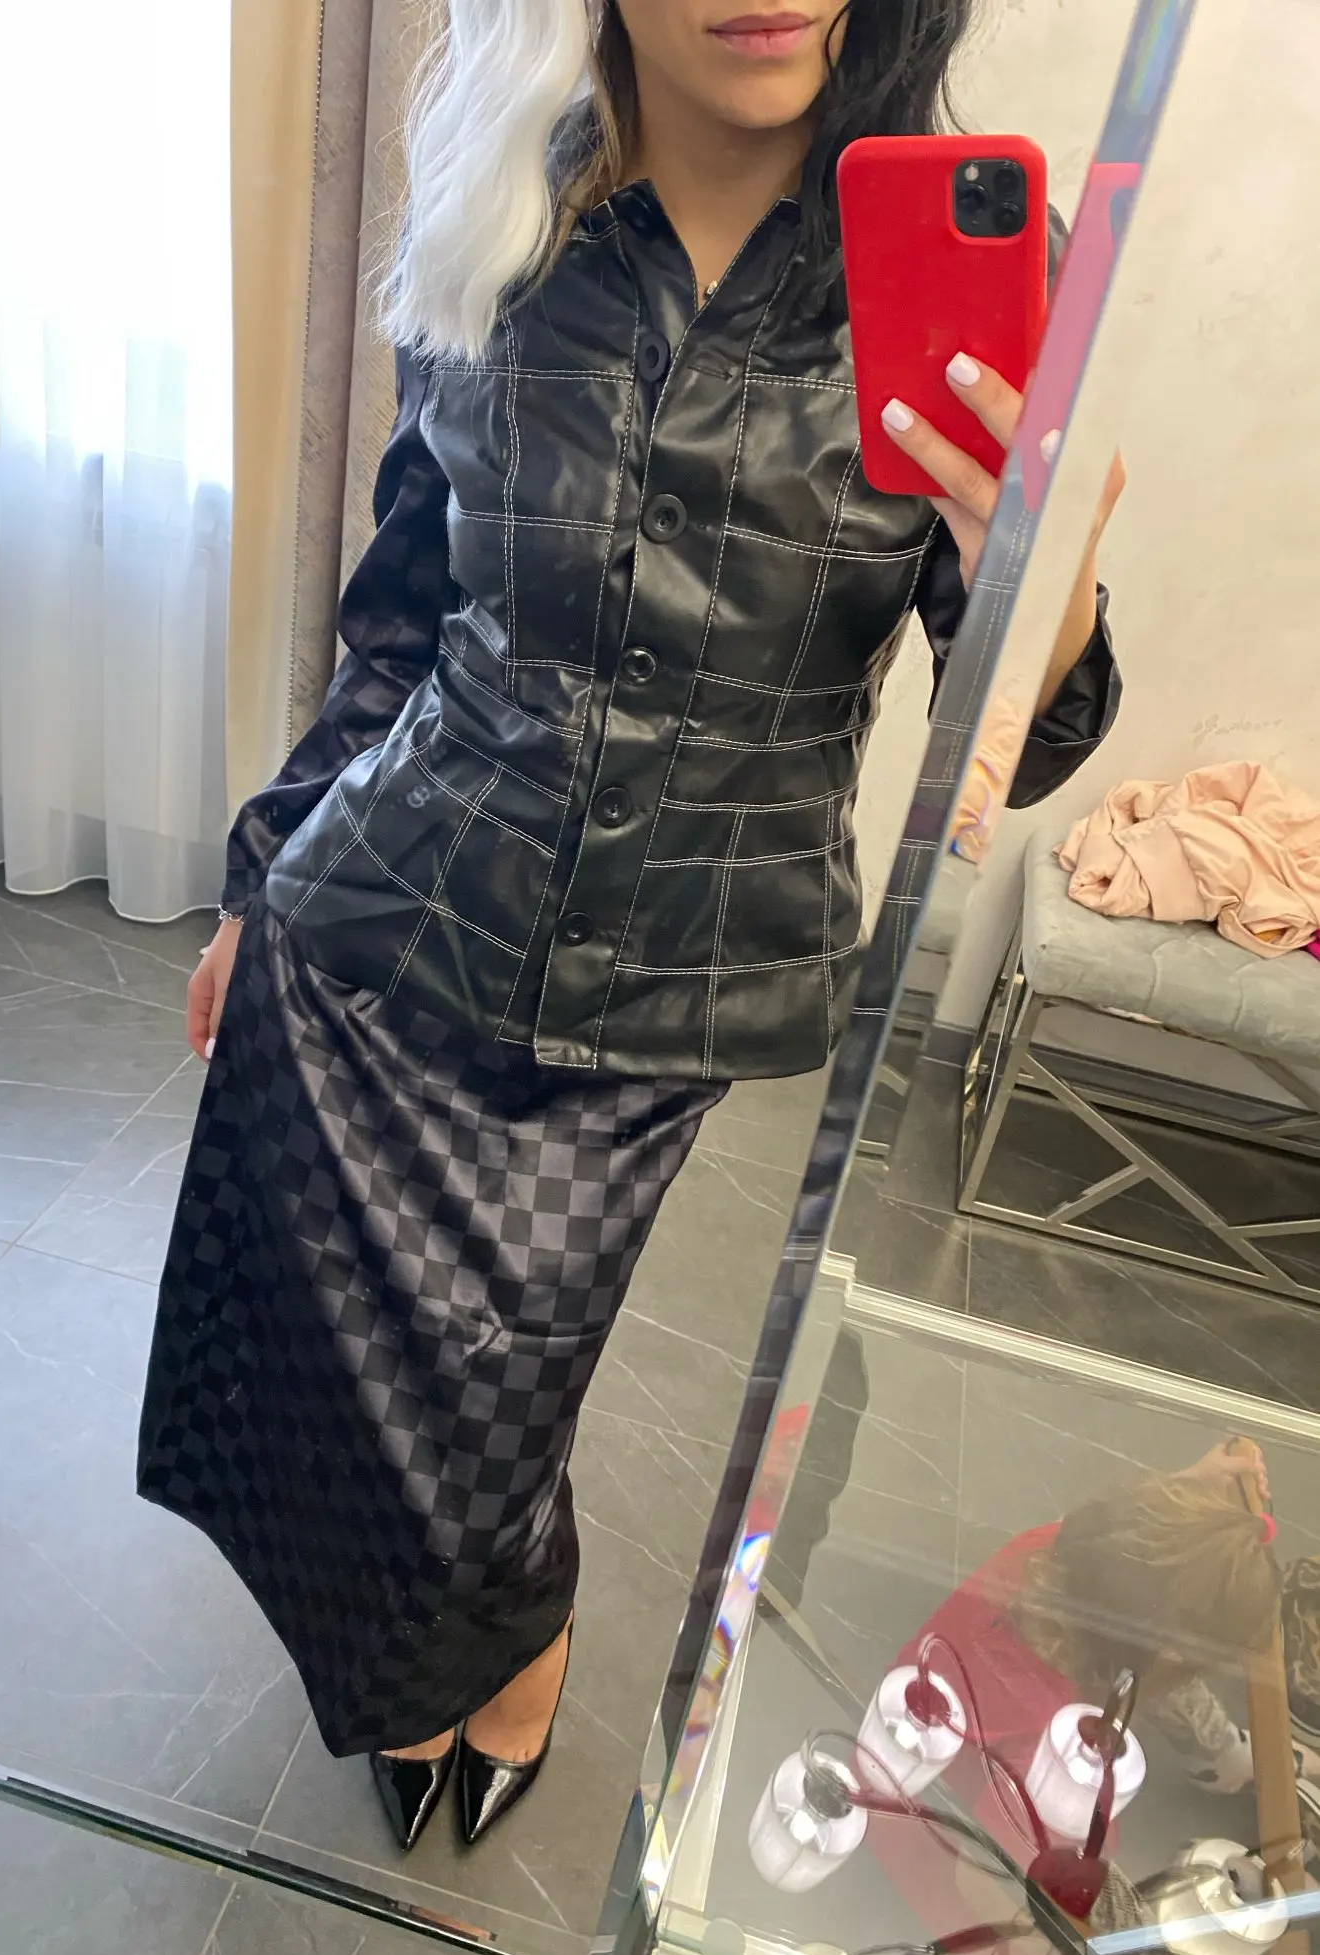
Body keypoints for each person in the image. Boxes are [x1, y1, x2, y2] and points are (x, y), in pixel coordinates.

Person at [136, 0, 1125, 1854]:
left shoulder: (949, 269)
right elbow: (404, 615)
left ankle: (516, 1638)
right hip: (381, 923)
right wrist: (263, 879)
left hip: (682, 969)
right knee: (342, 1377)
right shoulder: (505, 205)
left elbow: (1032, 737)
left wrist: (1044, 590)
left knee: (506, 1383)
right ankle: (419, 1665)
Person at [864, 1442, 1316, 1955]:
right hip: (940, 1859)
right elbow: (991, 1892)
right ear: (1170, 1657)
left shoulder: (1054, 1553)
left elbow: (1129, 1545)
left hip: (906, 1749)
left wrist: (1191, 1494)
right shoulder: (1053, 1757)